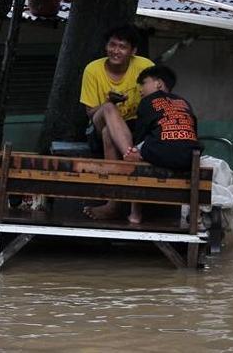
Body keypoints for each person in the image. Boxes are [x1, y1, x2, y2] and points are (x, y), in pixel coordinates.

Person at [84, 65, 201, 224]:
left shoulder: (148, 102)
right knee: (110, 134)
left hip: (160, 152)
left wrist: (131, 152)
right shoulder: (184, 102)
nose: (140, 90)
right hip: (188, 156)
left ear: (158, 84)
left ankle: (133, 213)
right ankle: (118, 207)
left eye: (143, 84)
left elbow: (140, 137)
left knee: (132, 154)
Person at [80, 24, 154, 156]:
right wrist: (110, 101)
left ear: (133, 51)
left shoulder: (145, 66)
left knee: (108, 133)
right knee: (108, 108)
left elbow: (156, 99)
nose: (115, 51)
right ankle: (131, 156)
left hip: (135, 124)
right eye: (112, 45)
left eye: (122, 47)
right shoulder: (92, 70)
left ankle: (115, 173)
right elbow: (90, 113)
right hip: (99, 124)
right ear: (106, 46)